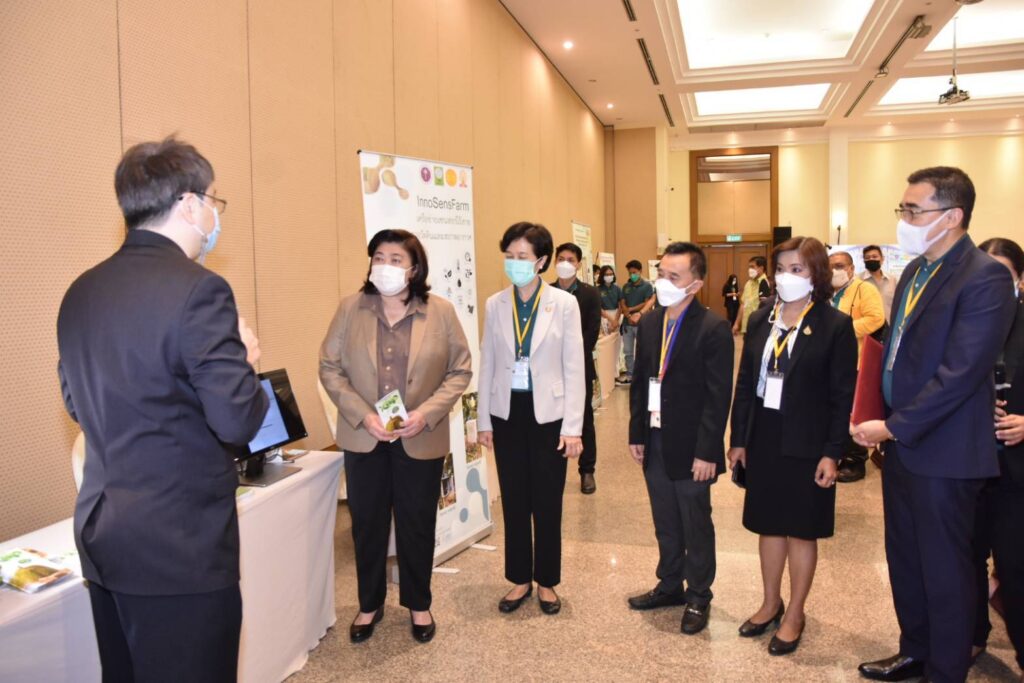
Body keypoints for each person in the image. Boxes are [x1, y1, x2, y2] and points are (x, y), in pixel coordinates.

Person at [56, 138, 269, 682]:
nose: (215, 217)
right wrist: (246, 362)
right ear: (189, 204)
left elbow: (78, 404)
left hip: (105, 536)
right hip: (180, 547)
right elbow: (238, 421)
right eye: (214, 202)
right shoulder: (201, 291)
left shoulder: (81, 292)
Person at [852, 167, 1016, 683]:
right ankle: (914, 650)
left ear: (952, 216)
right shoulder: (916, 273)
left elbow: (960, 373)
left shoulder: (984, 276)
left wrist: (894, 426)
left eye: (913, 210)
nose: (904, 219)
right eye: (902, 209)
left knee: (945, 568)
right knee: (905, 556)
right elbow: (897, 352)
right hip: (903, 444)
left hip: (945, 450)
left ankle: (945, 670)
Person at [319, 229, 472, 644]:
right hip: (365, 437)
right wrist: (362, 415)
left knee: (416, 523)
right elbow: (330, 367)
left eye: (396, 259)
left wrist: (426, 414)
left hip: (419, 436)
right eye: (379, 258)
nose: (385, 266)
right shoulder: (350, 308)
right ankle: (369, 604)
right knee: (367, 524)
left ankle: (419, 603)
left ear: (414, 268)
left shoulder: (440, 312)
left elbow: (460, 370)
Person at [727, 236, 857, 656]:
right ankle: (770, 603)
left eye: (797, 269)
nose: (787, 276)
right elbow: (745, 384)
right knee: (768, 524)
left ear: (816, 274)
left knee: (801, 529)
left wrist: (832, 452)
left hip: (809, 440)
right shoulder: (761, 318)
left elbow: (842, 396)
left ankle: (795, 613)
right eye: (781, 268)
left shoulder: (835, 325)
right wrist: (738, 439)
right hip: (764, 435)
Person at [477, 222, 585, 615]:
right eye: (509, 256)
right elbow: (488, 362)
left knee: (548, 500)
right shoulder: (495, 304)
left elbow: (574, 367)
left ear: (541, 261)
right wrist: (483, 420)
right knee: (514, 499)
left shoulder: (564, 303)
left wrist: (573, 428)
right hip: (507, 413)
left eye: (522, 256)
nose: (514, 263)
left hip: (549, 417)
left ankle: (547, 581)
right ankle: (519, 578)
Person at [626, 243, 734, 636]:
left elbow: (718, 398)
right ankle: (670, 583)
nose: (663, 282)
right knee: (665, 519)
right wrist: (636, 432)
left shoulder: (713, 328)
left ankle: (699, 594)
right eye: (661, 274)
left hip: (693, 447)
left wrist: (707, 452)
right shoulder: (651, 322)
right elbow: (641, 381)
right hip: (655, 438)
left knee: (695, 521)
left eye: (674, 276)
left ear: (696, 284)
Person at [972, 237, 1024, 675]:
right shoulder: (964, 321)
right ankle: (972, 637)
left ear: (1020, 279)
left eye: (1002, 274)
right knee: (965, 559)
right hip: (967, 466)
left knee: (1014, 563)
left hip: (1015, 471)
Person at [828, 251, 885, 483]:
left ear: (851, 268)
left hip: (856, 361)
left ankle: (855, 459)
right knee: (833, 411)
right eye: (830, 266)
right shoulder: (825, 292)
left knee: (853, 413)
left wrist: (841, 331)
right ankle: (835, 454)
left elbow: (876, 318)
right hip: (828, 363)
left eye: (839, 266)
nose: (834, 271)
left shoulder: (864, 289)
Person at [552, 243, 603, 494]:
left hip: (579, 368)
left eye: (570, 259)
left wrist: (570, 360)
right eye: (560, 258)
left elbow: (591, 333)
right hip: (550, 371)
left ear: (579, 264)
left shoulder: (590, 294)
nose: (565, 263)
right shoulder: (546, 292)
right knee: (552, 421)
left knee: (584, 420)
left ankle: (587, 470)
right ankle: (553, 470)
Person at [617, 259, 655, 385]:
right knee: (628, 351)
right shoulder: (626, 286)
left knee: (642, 350)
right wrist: (627, 314)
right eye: (630, 273)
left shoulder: (647, 286)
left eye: (634, 272)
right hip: (627, 324)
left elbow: (647, 303)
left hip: (641, 323)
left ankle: (642, 374)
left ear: (640, 271)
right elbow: (622, 302)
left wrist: (632, 310)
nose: (632, 275)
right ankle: (630, 374)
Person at [734, 256, 772, 335]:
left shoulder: (766, 283)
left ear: (761, 268)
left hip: (759, 328)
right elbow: (743, 305)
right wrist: (737, 323)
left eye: (752, 267)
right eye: (749, 267)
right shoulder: (748, 283)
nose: (749, 270)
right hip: (746, 328)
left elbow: (767, 308)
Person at [861, 244, 897, 325]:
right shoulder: (858, 281)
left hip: (890, 325)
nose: (871, 259)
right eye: (867, 257)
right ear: (864, 261)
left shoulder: (893, 280)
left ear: (882, 259)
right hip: (868, 328)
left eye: (874, 256)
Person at [598, 265, 624, 334]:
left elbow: (620, 306)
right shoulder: (597, 290)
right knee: (607, 337)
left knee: (617, 337)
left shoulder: (617, 289)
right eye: (607, 274)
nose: (609, 276)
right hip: (604, 316)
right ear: (602, 276)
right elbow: (599, 308)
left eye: (611, 274)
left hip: (617, 315)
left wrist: (616, 320)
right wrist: (611, 320)